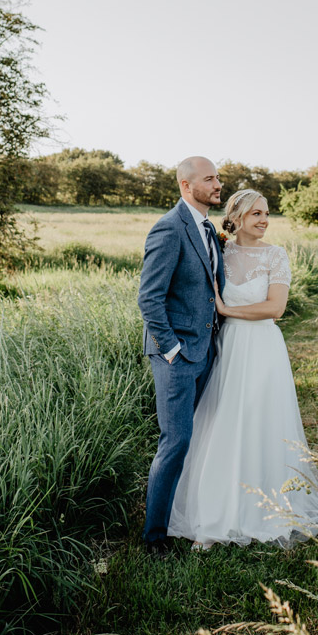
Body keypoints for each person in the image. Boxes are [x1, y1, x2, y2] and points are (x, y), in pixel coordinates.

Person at [166, 189, 318, 546]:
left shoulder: (276, 255)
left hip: (262, 347)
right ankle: (214, 514)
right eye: (256, 213)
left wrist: (228, 310)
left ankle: (264, 506)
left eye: (266, 213)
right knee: (222, 421)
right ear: (237, 217)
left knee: (262, 422)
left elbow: (275, 308)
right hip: (227, 348)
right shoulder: (218, 254)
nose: (263, 220)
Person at [137, 155, 227, 557]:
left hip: (205, 350)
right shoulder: (169, 229)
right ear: (186, 185)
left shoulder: (207, 228)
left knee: (197, 439)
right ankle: (155, 537)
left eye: (219, 177)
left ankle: (185, 516)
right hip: (176, 355)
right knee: (175, 441)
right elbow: (149, 298)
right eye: (210, 178)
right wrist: (172, 349)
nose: (218, 183)